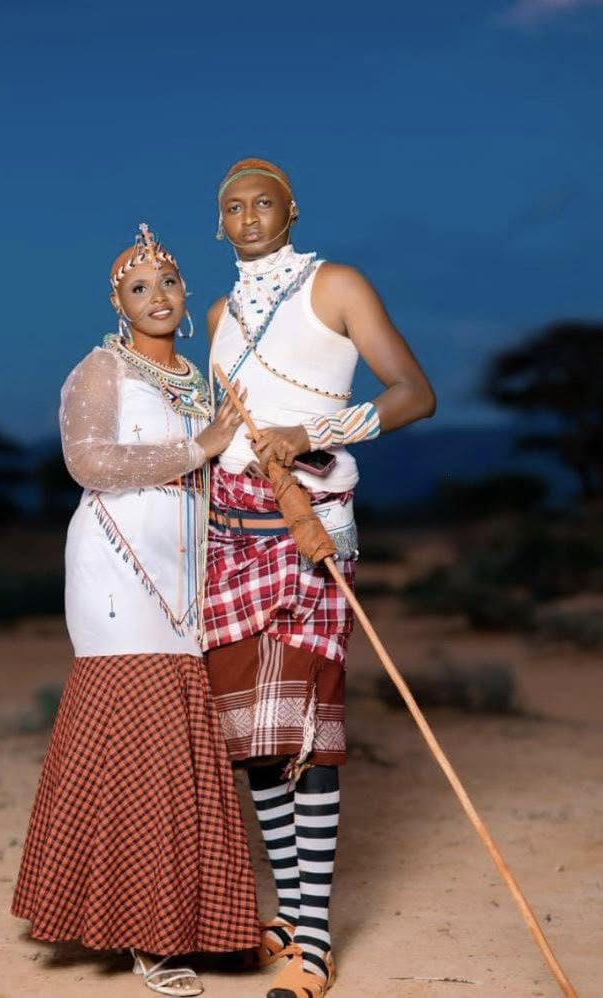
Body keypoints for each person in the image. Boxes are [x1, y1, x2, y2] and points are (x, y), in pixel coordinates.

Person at [203, 159, 436, 998]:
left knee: (309, 735)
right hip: (227, 542)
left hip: (307, 534)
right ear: (219, 224)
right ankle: (289, 922)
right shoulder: (218, 313)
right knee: (256, 740)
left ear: (291, 210)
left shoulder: (335, 284)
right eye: (233, 207)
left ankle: (315, 941)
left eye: (263, 202)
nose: (248, 216)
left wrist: (311, 434)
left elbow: (413, 394)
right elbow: (219, 432)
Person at [12, 223, 259, 997]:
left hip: (185, 575)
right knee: (140, 741)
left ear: (186, 296)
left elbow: (229, 472)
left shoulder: (201, 382)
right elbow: (88, 462)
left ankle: (191, 922)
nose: (157, 296)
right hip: (116, 571)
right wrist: (200, 446)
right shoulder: (100, 370)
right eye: (138, 287)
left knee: (175, 747)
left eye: (168, 283)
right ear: (117, 303)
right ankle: (148, 936)